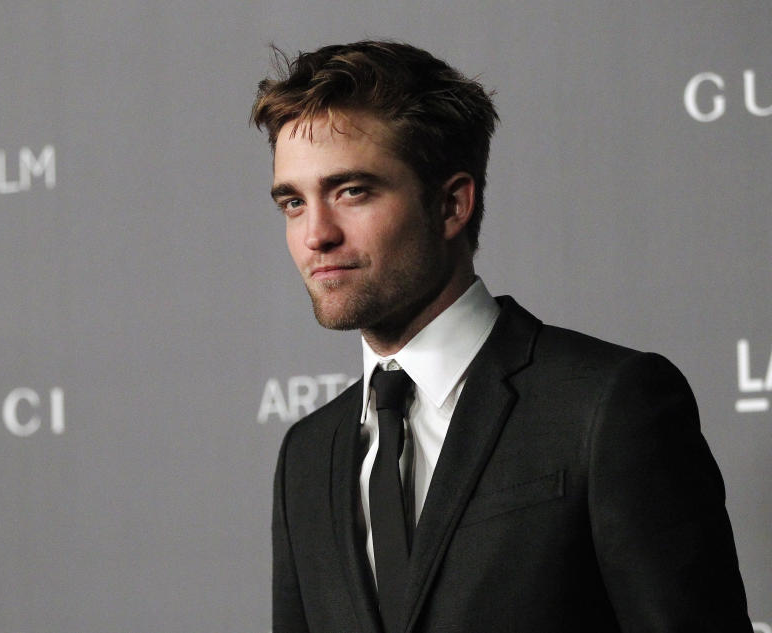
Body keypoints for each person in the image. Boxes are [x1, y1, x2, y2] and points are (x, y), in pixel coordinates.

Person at [250, 41, 752, 633]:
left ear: (451, 203)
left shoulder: (606, 405)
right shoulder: (308, 455)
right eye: (292, 202)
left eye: (352, 191)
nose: (316, 235)